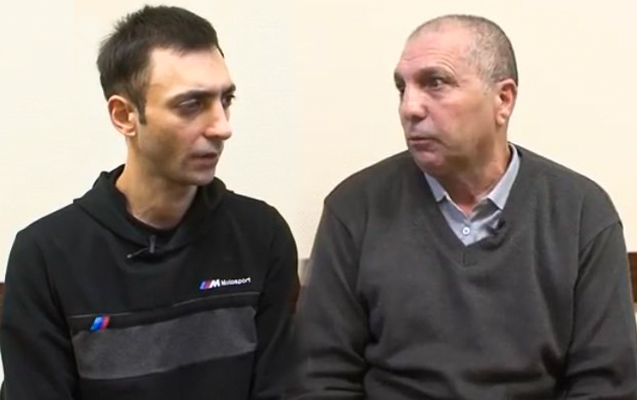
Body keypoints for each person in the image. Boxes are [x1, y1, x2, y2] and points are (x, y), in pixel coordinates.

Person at [289, 14, 637, 399]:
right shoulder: (355, 208)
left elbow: (606, 384)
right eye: (402, 88)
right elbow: (320, 378)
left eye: (435, 83)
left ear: (503, 100)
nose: (409, 108)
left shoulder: (582, 214)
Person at [0, 5, 299, 399]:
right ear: (124, 115)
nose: (222, 126)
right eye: (191, 104)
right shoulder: (47, 256)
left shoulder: (262, 235)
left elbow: (281, 388)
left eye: (225, 100)